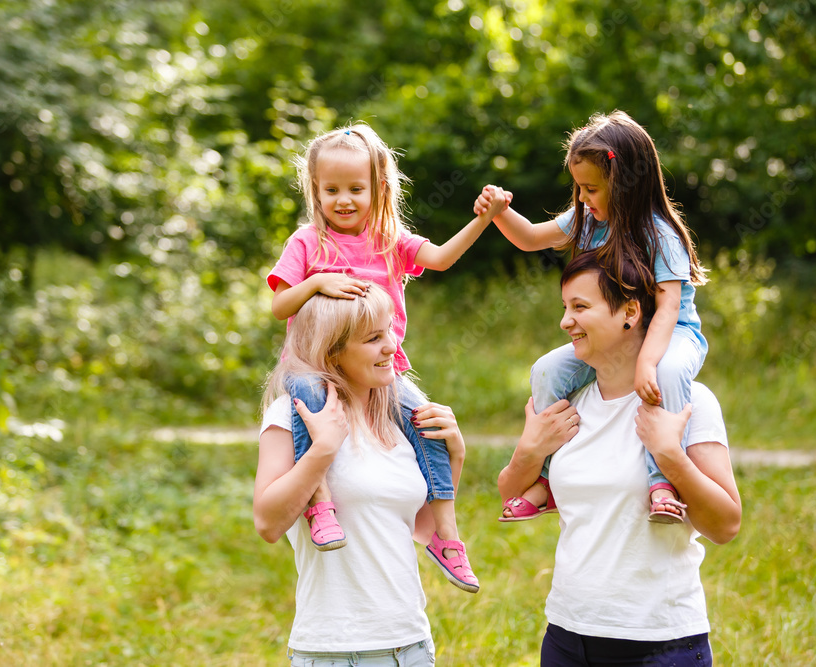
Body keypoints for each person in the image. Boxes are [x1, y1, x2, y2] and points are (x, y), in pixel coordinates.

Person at [268, 122, 505, 591]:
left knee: (427, 421)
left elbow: (438, 258)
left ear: (378, 189)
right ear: (315, 190)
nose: (343, 200)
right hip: (313, 364)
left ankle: (445, 533)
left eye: (356, 189)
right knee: (306, 402)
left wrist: (483, 219)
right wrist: (316, 283)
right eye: (331, 189)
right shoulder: (307, 242)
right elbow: (279, 305)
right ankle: (319, 504)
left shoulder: (389, 241)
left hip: (383, 369)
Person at [497, 250, 742, 666]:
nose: (565, 322)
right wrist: (530, 450)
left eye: (580, 307)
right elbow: (509, 492)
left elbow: (726, 525)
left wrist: (671, 457)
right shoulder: (566, 403)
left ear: (629, 311)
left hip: (660, 642)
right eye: (564, 308)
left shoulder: (689, 404)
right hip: (567, 638)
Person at [476, 110, 708, 523]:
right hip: (613, 337)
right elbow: (529, 237)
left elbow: (668, 308)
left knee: (669, 376)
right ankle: (546, 480)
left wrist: (648, 363)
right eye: (579, 188)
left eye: (591, 189)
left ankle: (661, 483)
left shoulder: (659, 235)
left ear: (624, 186)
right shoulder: (588, 222)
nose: (582, 198)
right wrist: (497, 211)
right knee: (547, 371)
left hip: (669, 335)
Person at [255, 285, 471, 665]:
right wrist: (322, 449)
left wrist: (455, 455)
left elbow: (420, 530)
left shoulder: (399, 422)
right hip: (331, 651)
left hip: (411, 647)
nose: (391, 346)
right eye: (373, 338)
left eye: (389, 331)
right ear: (332, 350)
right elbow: (268, 523)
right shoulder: (292, 415)